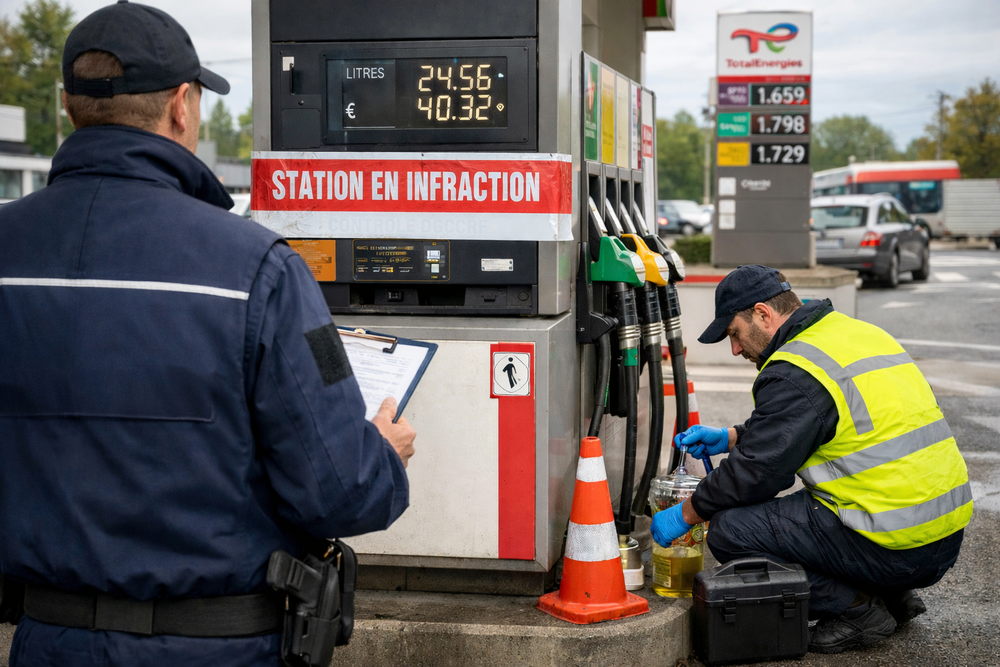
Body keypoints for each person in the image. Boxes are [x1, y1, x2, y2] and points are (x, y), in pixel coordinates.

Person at [0, 2, 415, 665]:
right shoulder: (263, 270)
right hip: (217, 647)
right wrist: (383, 456)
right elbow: (339, 490)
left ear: (70, 106)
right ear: (181, 106)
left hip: (46, 640)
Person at [651, 265, 971, 654]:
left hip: (895, 544)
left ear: (763, 315)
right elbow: (809, 422)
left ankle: (857, 609)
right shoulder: (855, 334)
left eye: (734, 333)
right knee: (813, 511)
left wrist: (687, 514)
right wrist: (730, 437)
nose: (735, 349)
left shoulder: (795, 368)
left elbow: (757, 474)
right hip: (941, 536)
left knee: (730, 530)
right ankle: (894, 595)